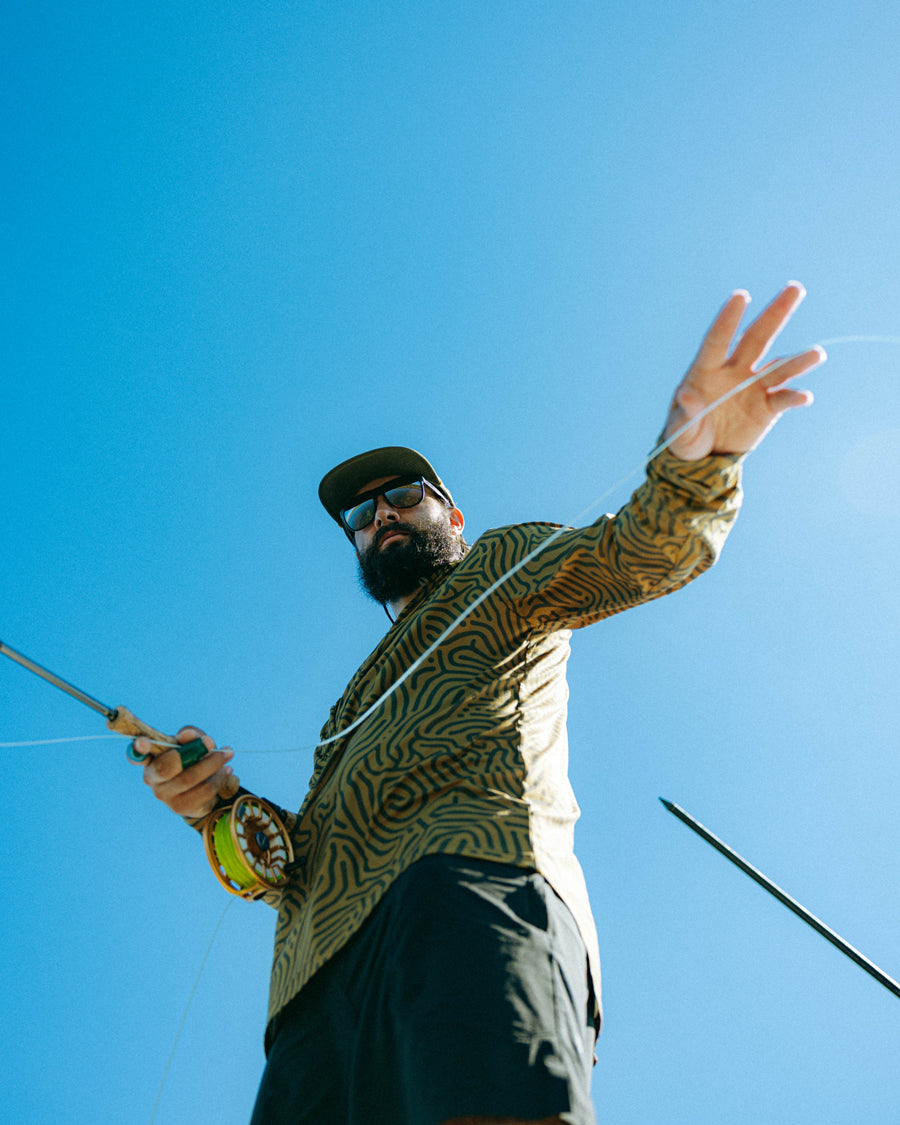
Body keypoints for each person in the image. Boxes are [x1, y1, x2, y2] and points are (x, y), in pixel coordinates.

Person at [140, 283, 825, 1125]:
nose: (381, 513)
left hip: (470, 890)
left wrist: (696, 467)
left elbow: (638, 552)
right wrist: (216, 806)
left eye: (404, 495)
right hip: (311, 997)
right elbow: (292, 867)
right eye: (362, 511)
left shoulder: (499, 565)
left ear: (452, 514)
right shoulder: (342, 715)